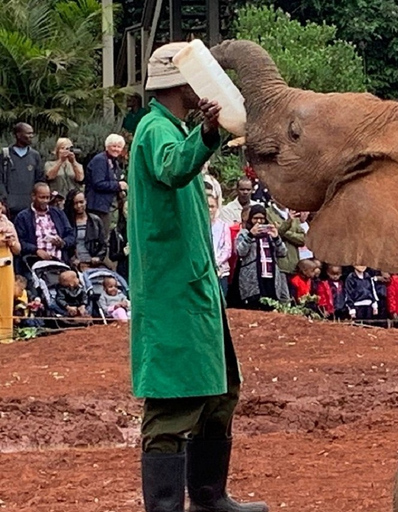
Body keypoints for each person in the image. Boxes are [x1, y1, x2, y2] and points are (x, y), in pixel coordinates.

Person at [128, 42, 268, 512]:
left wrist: (201, 133)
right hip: (173, 291)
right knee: (172, 401)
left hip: (194, 287)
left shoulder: (169, 127)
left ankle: (210, 497)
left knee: (220, 389)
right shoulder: (155, 130)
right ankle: (166, 505)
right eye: (198, 78)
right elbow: (171, 167)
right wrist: (206, 133)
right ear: (180, 83)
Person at [235, 204, 290, 309]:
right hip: (253, 279)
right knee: (254, 307)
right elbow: (240, 252)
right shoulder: (244, 233)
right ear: (250, 219)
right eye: (255, 218)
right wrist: (250, 235)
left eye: (262, 218)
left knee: (270, 308)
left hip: (271, 277)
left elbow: (283, 253)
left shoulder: (270, 234)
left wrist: (276, 238)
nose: (259, 221)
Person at [13, 183, 75, 265]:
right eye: (42, 197)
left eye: (47, 197)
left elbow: (71, 235)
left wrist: (63, 243)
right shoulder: (23, 217)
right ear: (33, 197)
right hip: (34, 262)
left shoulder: (58, 213)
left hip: (60, 261)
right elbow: (20, 241)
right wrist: (36, 250)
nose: (45, 201)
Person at [85, 133, 128, 234]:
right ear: (107, 146)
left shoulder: (114, 162)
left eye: (119, 147)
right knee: (101, 236)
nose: (116, 149)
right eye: (113, 146)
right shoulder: (100, 159)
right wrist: (118, 185)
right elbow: (98, 183)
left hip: (110, 207)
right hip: (98, 206)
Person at [1, 122, 45, 218]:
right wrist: (3, 201)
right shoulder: (5, 155)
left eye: (32, 133)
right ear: (18, 135)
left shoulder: (35, 156)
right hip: (10, 208)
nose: (31, 136)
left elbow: (39, 180)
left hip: (29, 208)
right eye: (28, 133)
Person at [64, 190, 107, 270]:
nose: (79, 206)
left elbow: (103, 244)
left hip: (92, 263)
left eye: (81, 202)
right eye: (75, 203)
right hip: (75, 264)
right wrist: (72, 259)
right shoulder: (67, 221)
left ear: (86, 201)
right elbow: (65, 245)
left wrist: (98, 257)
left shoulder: (95, 220)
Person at [266, 201, 305, 277]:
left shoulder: (293, 214)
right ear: (273, 197)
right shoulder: (267, 213)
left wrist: (284, 231)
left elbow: (303, 239)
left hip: (295, 264)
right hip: (279, 266)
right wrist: (287, 223)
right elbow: (275, 235)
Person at [208, 194, 232, 297]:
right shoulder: (198, 227)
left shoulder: (223, 226)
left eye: (212, 206)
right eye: (207, 206)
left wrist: (215, 262)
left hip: (220, 271)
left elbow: (227, 249)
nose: (210, 210)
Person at [108, 198, 129, 282]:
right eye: (126, 210)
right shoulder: (117, 231)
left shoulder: (142, 230)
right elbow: (112, 256)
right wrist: (124, 252)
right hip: (124, 270)